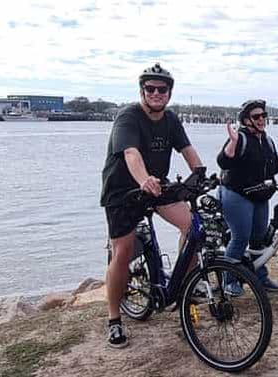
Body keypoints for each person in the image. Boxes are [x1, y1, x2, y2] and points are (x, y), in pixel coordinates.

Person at [100, 63, 204, 349]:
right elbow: (131, 154)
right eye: (151, 88)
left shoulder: (170, 119)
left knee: (192, 227)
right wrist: (144, 179)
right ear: (142, 91)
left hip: (158, 185)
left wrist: (201, 173)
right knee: (122, 252)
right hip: (123, 190)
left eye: (163, 89)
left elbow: (187, 150)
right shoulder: (128, 117)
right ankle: (114, 319)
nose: (157, 93)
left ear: (169, 93)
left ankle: (183, 290)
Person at [217, 99, 278, 296]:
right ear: (246, 120)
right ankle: (228, 280)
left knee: (258, 240)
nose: (262, 119)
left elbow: (272, 169)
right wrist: (231, 143)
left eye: (264, 115)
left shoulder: (267, 140)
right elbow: (223, 162)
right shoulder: (240, 138)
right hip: (236, 194)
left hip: (259, 195)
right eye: (256, 116)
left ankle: (260, 277)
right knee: (240, 238)